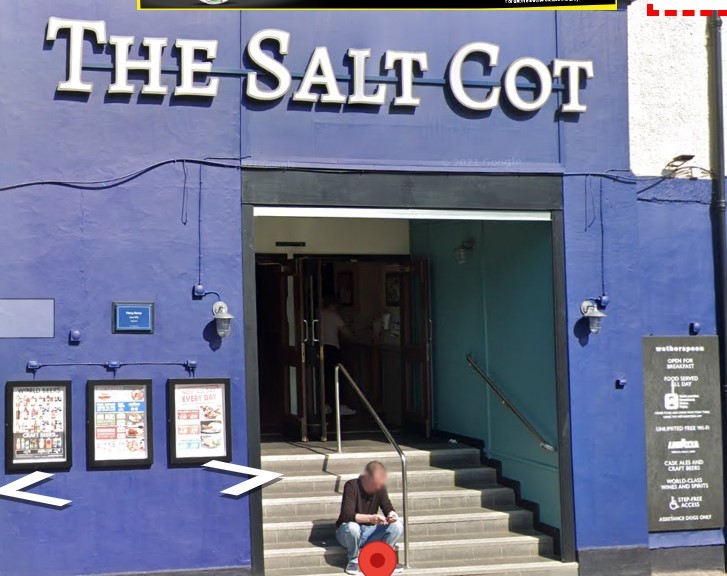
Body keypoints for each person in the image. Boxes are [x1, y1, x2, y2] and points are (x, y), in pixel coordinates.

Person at [336, 461, 404, 575]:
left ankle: (385, 556)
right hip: (347, 533)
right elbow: (347, 514)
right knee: (352, 528)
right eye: (375, 483)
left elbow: (387, 506)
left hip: (369, 532)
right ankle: (353, 560)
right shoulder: (352, 486)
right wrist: (370, 518)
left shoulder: (379, 487)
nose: (377, 487)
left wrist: (392, 515)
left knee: (397, 526)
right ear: (366, 477)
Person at [321, 296, 356, 416]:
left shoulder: (319, 314)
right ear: (335, 305)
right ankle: (339, 405)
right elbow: (346, 332)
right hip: (332, 348)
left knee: (324, 377)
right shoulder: (334, 315)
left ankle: (325, 405)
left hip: (320, 347)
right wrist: (354, 337)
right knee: (336, 377)